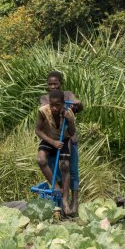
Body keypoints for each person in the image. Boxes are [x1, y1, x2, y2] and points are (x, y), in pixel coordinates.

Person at [40, 71, 83, 215]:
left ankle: (74, 202)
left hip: (68, 138)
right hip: (52, 138)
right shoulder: (45, 99)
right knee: (55, 168)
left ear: (61, 84)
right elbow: (47, 111)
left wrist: (76, 105)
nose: (52, 86)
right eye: (50, 84)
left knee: (71, 168)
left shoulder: (68, 95)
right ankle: (60, 197)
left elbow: (78, 106)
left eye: (55, 83)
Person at [36, 89, 77, 214]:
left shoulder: (68, 112)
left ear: (63, 104)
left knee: (65, 166)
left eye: (57, 105)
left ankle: (65, 199)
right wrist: (52, 142)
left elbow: (72, 133)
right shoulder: (43, 111)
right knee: (41, 159)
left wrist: (70, 121)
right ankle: (56, 188)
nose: (54, 108)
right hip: (49, 139)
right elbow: (38, 131)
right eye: (52, 105)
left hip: (63, 139)